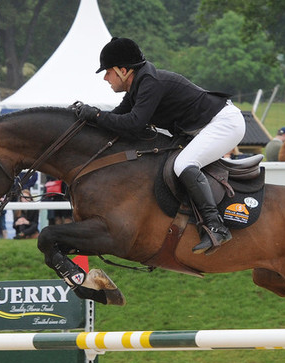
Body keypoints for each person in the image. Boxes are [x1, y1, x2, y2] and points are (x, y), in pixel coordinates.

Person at [76, 36, 245, 254]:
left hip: (224, 123)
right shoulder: (138, 87)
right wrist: (88, 120)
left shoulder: (149, 83)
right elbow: (117, 118)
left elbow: (134, 124)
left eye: (108, 72)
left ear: (123, 71)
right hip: (207, 125)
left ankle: (215, 225)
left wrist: (97, 115)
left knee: (183, 164)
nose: (106, 78)